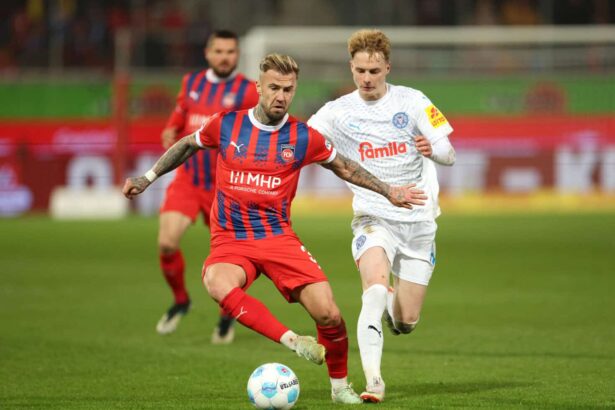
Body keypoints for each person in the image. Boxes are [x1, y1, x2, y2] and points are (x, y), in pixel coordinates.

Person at [123, 53, 426, 404]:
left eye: (288, 89)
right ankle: (292, 340)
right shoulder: (226, 125)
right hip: (231, 240)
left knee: (328, 313)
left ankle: (340, 387)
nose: (280, 96)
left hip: (278, 238)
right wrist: (147, 178)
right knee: (216, 282)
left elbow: (345, 167)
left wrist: (389, 191)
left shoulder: (303, 136)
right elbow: (188, 144)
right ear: (258, 87)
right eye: (274, 88)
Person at [307, 29, 456, 403]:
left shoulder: (413, 101)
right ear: (351, 68)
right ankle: (374, 381)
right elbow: (301, 141)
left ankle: (395, 306)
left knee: (405, 322)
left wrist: (432, 150)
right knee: (372, 293)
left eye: (374, 71)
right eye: (360, 71)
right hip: (373, 217)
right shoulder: (337, 112)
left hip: (419, 223)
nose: (367, 79)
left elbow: (449, 151)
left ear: (387, 67)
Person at [156, 29, 259, 342]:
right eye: (219, 51)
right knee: (166, 243)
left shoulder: (248, 91)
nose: (225, 57)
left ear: (237, 55)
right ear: (208, 53)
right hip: (188, 180)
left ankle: (227, 316)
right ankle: (181, 300)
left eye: (230, 52)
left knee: (231, 259)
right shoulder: (192, 83)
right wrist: (171, 129)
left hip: (226, 188)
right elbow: (180, 115)